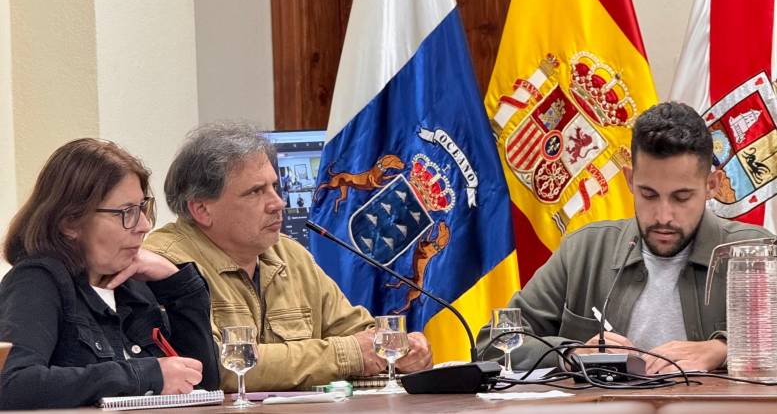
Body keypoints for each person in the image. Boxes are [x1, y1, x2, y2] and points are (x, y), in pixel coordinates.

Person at [477, 102, 772, 375]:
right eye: (648, 194)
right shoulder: (584, 250)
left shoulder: (756, 252)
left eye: (681, 198)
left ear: (711, 185)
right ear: (630, 180)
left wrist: (723, 349)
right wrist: (570, 353)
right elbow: (494, 343)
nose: (663, 216)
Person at [144, 122, 433, 391]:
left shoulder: (290, 254)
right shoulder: (167, 265)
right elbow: (216, 367)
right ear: (202, 209)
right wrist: (347, 354)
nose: (278, 203)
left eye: (275, 187)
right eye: (255, 192)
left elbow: (361, 335)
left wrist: (406, 348)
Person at [0, 139, 219, 410]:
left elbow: (203, 384)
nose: (144, 225)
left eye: (142, 208)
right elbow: (13, 384)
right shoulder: (37, 281)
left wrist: (177, 285)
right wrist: (145, 375)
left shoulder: (134, 286)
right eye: (126, 212)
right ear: (70, 222)